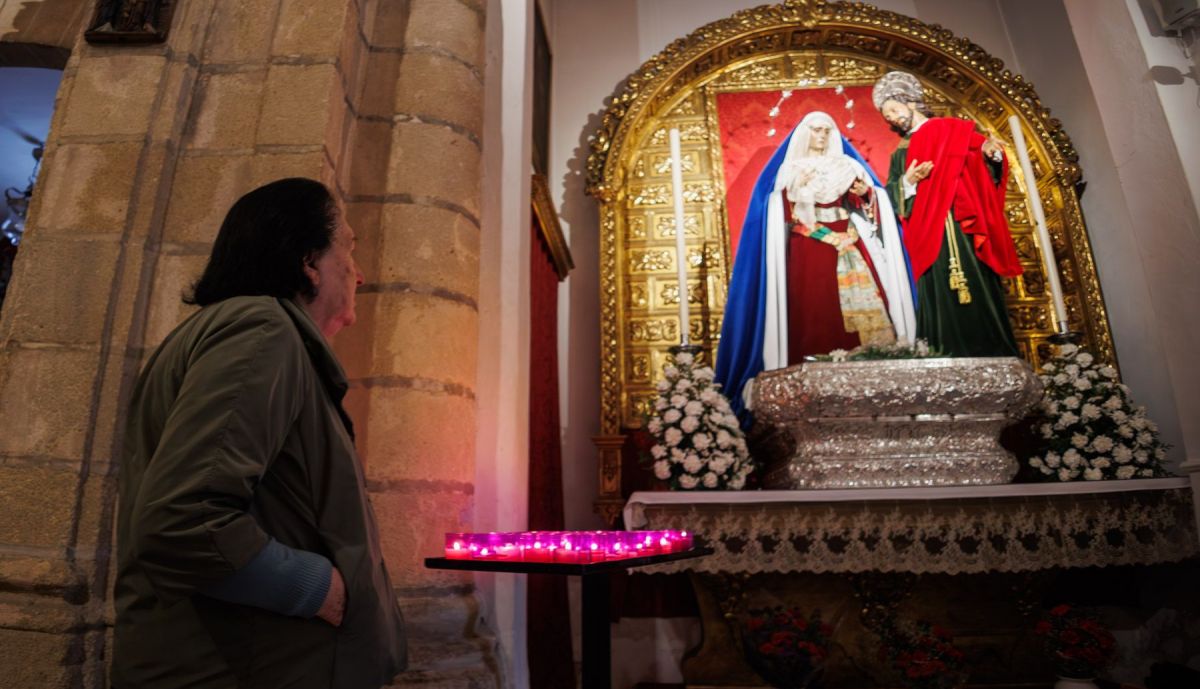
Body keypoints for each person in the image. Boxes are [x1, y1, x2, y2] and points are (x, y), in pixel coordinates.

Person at [112, 178, 407, 688]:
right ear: (309, 260)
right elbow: (185, 520)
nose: (359, 274)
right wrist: (321, 590)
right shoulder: (261, 329)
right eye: (349, 249)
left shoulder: (261, 334)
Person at [716, 111, 915, 418]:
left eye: (827, 130)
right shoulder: (790, 169)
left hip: (848, 238)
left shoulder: (848, 166)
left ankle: (875, 376)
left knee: (867, 304)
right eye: (816, 130)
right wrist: (797, 190)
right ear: (805, 134)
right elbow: (779, 210)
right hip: (810, 243)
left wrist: (866, 195)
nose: (822, 136)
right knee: (814, 306)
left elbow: (869, 204)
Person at [872, 70, 1022, 358]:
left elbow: (985, 162)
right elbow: (891, 195)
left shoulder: (955, 131)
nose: (890, 117)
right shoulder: (901, 153)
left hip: (963, 225)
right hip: (929, 232)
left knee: (977, 282)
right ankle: (941, 352)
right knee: (937, 287)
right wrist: (909, 181)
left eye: (892, 109)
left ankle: (993, 351)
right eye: (885, 115)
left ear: (910, 102)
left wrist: (992, 154)